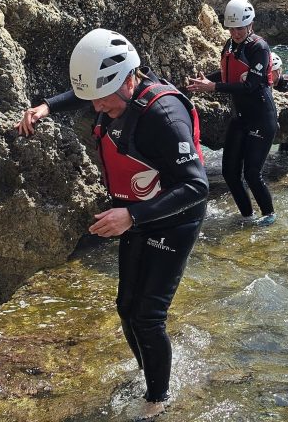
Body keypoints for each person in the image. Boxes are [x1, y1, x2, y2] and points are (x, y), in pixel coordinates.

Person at [15, 28, 208, 420]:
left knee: (148, 316)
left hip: (173, 219)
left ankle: (158, 402)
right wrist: (47, 106)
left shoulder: (164, 116)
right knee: (125, 307)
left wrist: (131, 215)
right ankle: (148, 373)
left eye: (103, 99)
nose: (98, 108)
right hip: (135, 215)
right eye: (93, 100)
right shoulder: (110, 95)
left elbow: (197, 186)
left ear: (128, 80)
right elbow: (88, 94)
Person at [187, 0, 277, 226]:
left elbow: (251, 85)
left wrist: (213, 87)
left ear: (250, 25)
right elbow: (227, 73)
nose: (235, 33)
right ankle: (247, 216)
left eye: (239, 28)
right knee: (229, 173)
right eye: (231, 28)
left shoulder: (259, 47)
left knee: (252, 174)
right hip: (239, 118)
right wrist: (207, 79)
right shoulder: (229, 45)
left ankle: (269, 217)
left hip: (261, 117)